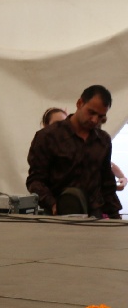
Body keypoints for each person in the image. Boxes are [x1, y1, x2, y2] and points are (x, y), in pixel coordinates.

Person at [28, 86, 121, 217]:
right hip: (57, 216)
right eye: (91, 112)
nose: (95, 120)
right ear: (79, 103)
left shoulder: (103, 140)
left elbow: (107, 184)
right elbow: (35, 180)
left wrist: (115, 217)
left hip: (94, 217)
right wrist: (53, 205)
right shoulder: (47, 137)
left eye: (101, 116)